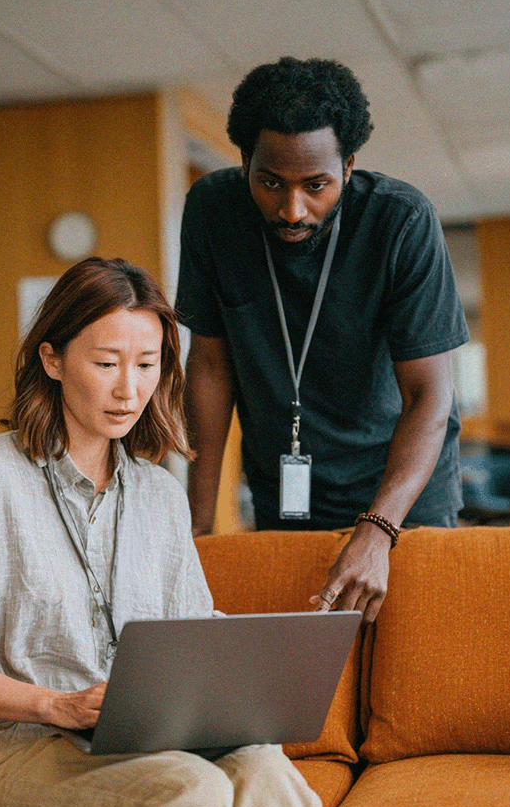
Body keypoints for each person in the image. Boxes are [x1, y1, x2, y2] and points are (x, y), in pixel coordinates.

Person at [0, 257, 325, 807]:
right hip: (14, 751)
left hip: (139, 743)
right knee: (189, 793)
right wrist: (56, 704)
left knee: (268, 772)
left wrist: (269, 659)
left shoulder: (159, 495)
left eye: (148, 364)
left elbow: (192, 629)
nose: (130, 388)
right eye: (106, 364)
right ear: (52, 359)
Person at [177, 56, 469, 625]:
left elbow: (429, 397)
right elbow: (210, 367)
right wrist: (197, 523)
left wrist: (378, 528)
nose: (292, 210)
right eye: (269, 182)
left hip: (404, 494)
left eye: (316, 186)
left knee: (410, 667)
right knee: (305, 672)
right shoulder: (213, 212)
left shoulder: (401, 223)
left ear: (349, 165)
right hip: (287, 490)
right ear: (244, 163)